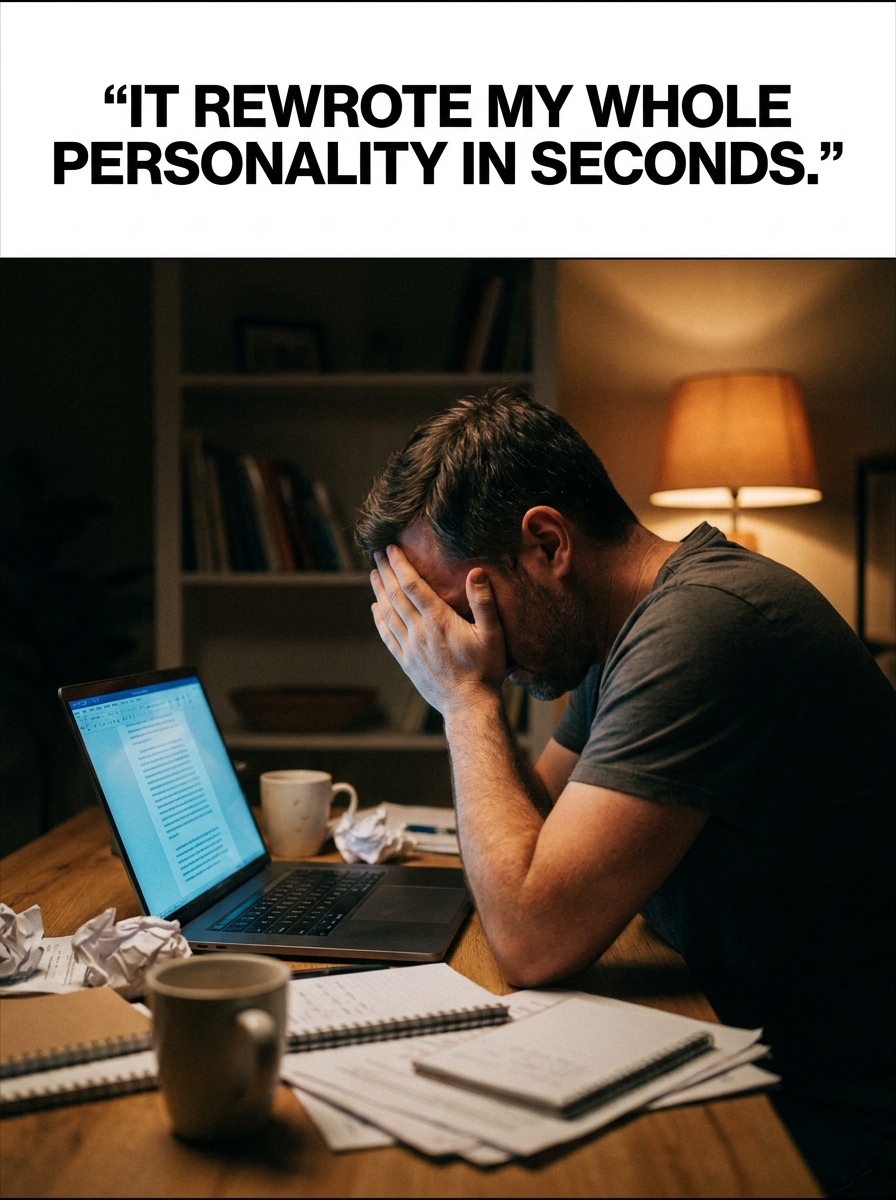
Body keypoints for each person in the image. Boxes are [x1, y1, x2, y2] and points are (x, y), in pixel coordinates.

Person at [355, 387, 895, 1198]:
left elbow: (534, 936)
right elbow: (534, 835)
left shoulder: (707, 627)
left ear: (546, 544)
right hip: (751, 1046)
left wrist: (464, 702)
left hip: (844, 1113)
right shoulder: (630, 632)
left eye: (467, 603)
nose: (466, 640)